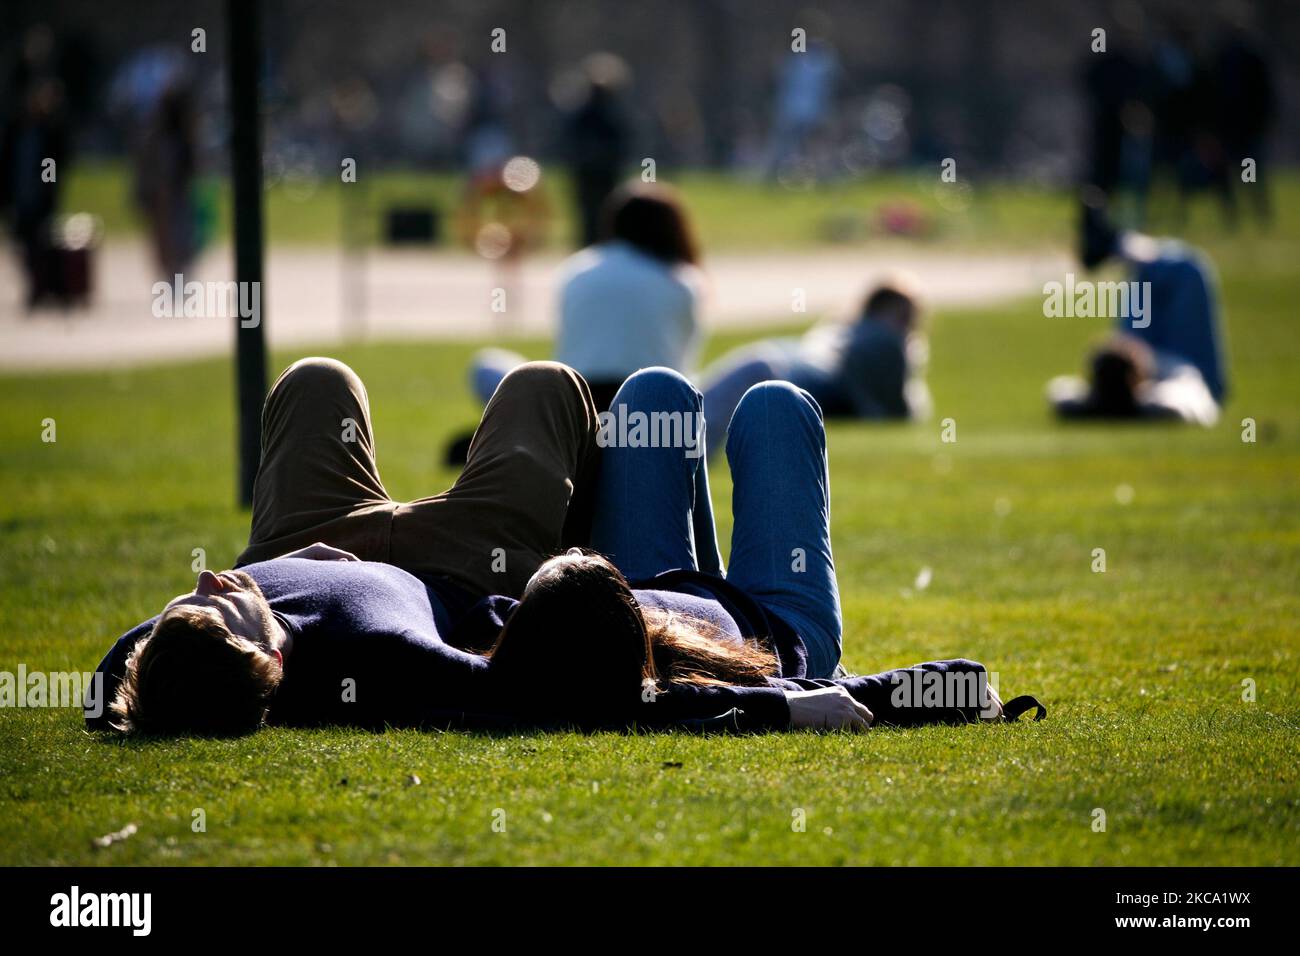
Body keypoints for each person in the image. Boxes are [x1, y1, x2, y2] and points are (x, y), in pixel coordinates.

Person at [88, 358, 1036, 736]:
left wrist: (135, 689)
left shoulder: (190, 634)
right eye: (214, 604)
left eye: (189, 601)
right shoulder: (375, 658)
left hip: (332, 535)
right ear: (265, 654)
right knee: (747, 408)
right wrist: (861, 695)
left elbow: (113, 675)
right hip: (752, 624)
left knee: (316, 383)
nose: (209, 580)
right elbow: (546, 697)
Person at [486, 367, 1040, 727]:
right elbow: (858, 695)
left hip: (648, 582)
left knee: (653, 393)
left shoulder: (483, 655)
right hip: (776, 629)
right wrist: (947, 687)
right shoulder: (680, 689)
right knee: (776, 405)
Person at [470, 182, 704, 415]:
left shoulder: (576, 270)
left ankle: (534, 437)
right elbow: (683, 369)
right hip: (656, 419)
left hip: (573, 413)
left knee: (489, 366)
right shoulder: (681, 280)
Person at [1047, 195, 1227, 425]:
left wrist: (1098, 393)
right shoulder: (1168, 399)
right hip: (1186, 369)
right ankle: (1118, 243)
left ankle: (1117, 243)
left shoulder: (1086, 400)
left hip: (1140, 369)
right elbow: (1181, 404)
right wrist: (1140, 387)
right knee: (1187, 269)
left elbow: (1059, 392)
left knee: (1147, 274)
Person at [699, 275, 931, 448]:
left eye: (908, 319)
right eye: (900, 316)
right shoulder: (862, 333)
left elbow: (893, 407)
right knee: (703, 405)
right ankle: (680, 447)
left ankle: (681, 450)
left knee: (701, 406)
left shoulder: (883, 341)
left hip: (778, 373)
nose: (905, 326)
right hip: (777, 368)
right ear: (877, 309)